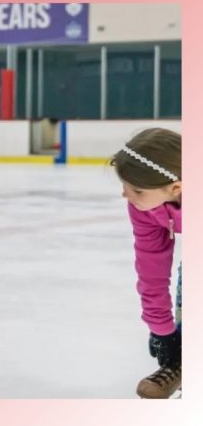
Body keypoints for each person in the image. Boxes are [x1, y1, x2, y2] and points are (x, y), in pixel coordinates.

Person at [110, 128, 182, 399]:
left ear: (176, 188)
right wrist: (161, 328)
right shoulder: (145, 208)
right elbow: (151, 265)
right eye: (125, 187)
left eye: (136, 190)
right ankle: (183, 361)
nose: (126, 196)